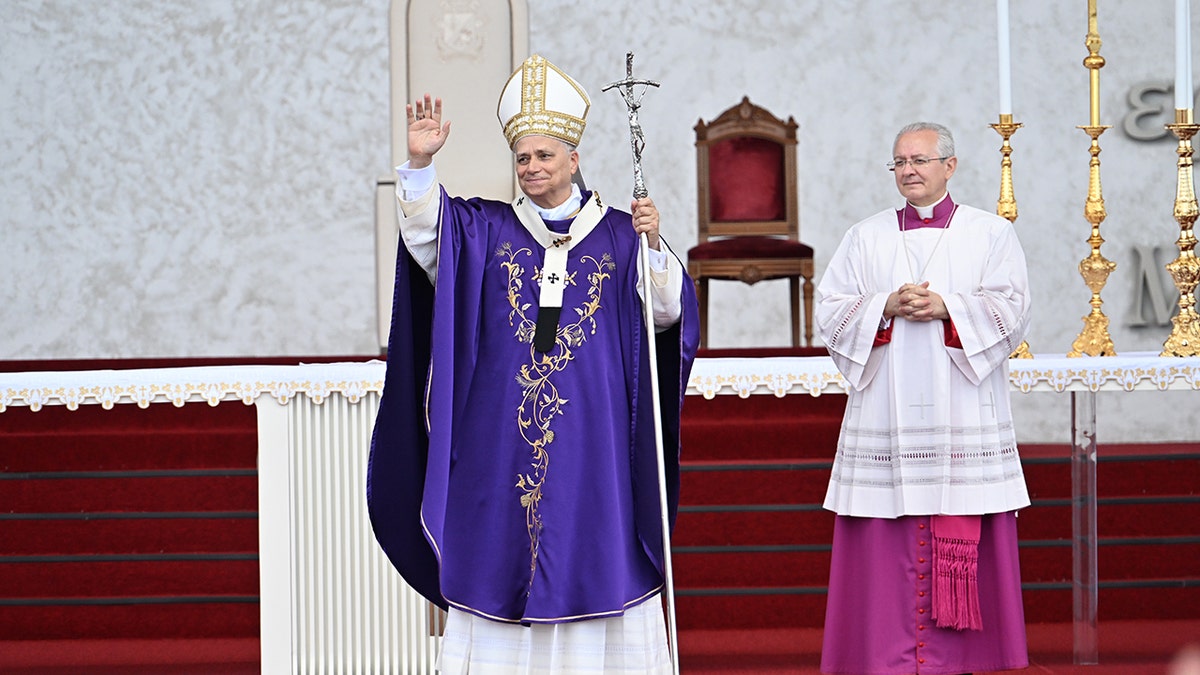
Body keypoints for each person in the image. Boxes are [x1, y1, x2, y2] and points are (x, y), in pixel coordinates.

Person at [366, 54, 699, 674]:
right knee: (501, 555)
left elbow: (665, 316)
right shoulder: (486, 230)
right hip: (500, 440)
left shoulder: (625, 233)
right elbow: (428, 236)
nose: (532, 168)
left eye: (545, 155)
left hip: (593, 446)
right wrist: (419, 164)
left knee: (592, 550)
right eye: (523, 158)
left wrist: (656, 249)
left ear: (574, 158)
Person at [815, 122, 1032, 674]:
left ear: (949, 166)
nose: (908, 171)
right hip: (887, 409)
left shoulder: (990, 233)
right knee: (885, 532)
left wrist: (949, 309)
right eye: (899, 163)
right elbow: (830, 309)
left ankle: (965, 658)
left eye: (919, 160)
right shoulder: (866, 236)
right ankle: (881, 655)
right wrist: (883, 305)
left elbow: (1013, 307)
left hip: (960, 405)